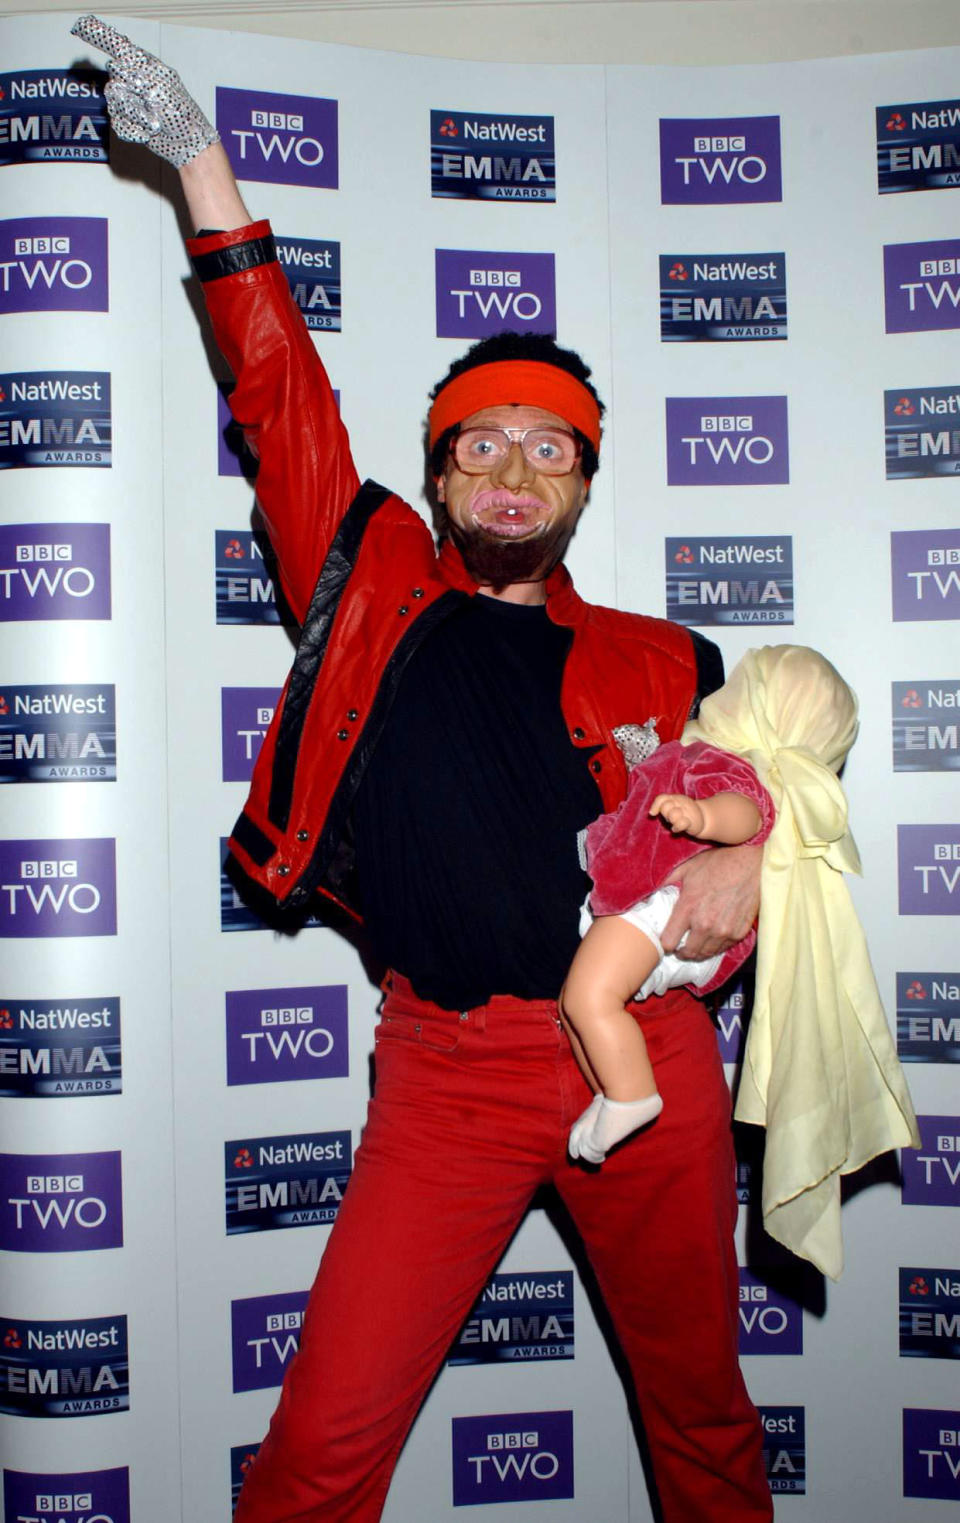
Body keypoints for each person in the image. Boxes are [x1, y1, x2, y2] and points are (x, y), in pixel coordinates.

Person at [72, 16, 773, 1522]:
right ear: (438, 466)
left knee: (706, 1427)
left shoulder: (668, 655)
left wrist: (754, 858)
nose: (514, 472)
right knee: (320, 1455)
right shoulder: (372, 576)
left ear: (587, 478)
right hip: (447, 1072)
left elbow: (790, 808)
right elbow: (274, 384)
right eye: (482, 444)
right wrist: (198, 159)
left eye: (551, 448)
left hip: (645, 1071)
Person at [563, 728, 775, 1165]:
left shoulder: (719, 756)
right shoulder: (686, 750)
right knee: (573, 1007)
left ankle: (632, 1095)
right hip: (636, 900)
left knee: (590, 998)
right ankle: (610, 1094)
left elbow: (750, 812)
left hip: (663, 901)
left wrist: (703, 816)